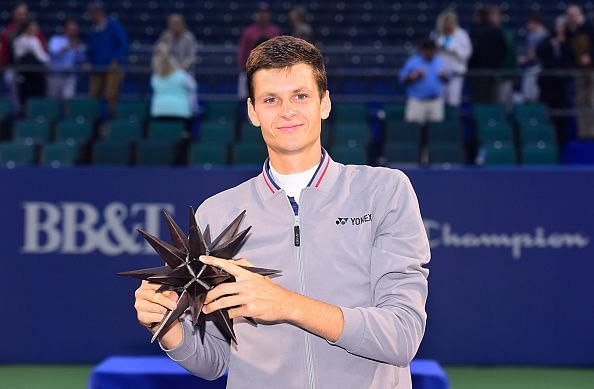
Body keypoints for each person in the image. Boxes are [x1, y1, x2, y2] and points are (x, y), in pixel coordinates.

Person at [134, 36, 430, 388]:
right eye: (271, 99)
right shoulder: (217, 212)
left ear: (325, 103)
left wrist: (286, 305)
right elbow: (214, 360)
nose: (287, 111)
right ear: (253, 111)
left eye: (300, 96)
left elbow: (402, 335)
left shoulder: (384, 191)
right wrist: (167, 326)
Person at [0, 2, 45, 113]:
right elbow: (4, 53)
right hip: (13, 69)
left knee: (34, 96)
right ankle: (16, 117)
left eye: (24, 13)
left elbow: (42, 50)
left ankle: (34, 117)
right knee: (15, 98)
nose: (21, 16)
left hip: (33, 71)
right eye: (19, 13)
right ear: (13, 14)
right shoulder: (8, 31)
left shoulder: (35, 31)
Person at [85, 2, 128, 114]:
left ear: (99, 12)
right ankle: (93, 125)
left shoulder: (113, 26)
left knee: (111, 95)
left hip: (112, 67)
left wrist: (116, 58)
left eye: (93, 12)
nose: (91, 15)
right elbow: (89, 49)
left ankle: (111, 124)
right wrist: (88, 61)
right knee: (93, 95)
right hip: (97, 67)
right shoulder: (92, 29)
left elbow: (123, 44)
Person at [537, 15, 571, 144]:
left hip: (561, 83)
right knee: (547, 109)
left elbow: (570, 58)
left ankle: (561, 140)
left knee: (561, 112)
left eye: (564, 27)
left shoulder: (568, 41)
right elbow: (539, 51)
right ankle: (546, 138)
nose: (561, 29)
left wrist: (563, 44)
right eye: (560, 26)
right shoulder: (547, 39)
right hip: (548, 83)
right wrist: (553, 42)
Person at [399, 38, 449, 124]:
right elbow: (402, 80)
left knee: (436, 131)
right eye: (427, 50)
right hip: (417, 101)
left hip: (435, 101)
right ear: (422, 50)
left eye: (432, 50)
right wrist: (414, 75)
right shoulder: (413, 62)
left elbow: (447, 80)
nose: (430, 52)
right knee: (412, 130)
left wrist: (443, 76)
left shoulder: (440, 62)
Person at [237, 3, 281, 99]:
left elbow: (279, 52)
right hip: (250, 70)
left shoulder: (274, 31)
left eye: (265, 13)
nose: (263, 15)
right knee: (247, 98)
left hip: (271, 71)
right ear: (256, 14)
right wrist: (243, 68)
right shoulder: (248, 32)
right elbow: (243, 51)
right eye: (260, 13)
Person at [565, 4, 594, 139]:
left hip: (592, 69)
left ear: (579, 13)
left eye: (574, 15)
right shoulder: (570, 30)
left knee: (592, 99)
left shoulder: (589, 26)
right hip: (579, 70)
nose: (572, 18)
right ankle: (584, 132)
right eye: (570, 16)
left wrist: (589, 55)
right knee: (580, 100)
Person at [150, 48, 196, 132]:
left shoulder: (155, 77)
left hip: (159, 111)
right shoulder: (182, 75)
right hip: (181, 112)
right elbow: (193, 86)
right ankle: (185, 137)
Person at [468, 6, 507, 103]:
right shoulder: (495, 31)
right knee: (491, 99)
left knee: (480, 99)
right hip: (491, 71)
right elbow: (503, 49)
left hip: (479, 72)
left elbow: (472, 51)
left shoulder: (475, 31)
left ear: (480, 17)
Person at [435, 9, 472, 107]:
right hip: (441, 75)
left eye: (450, 22)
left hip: (456, 74)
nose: (448, 25)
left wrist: (455, 50)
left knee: (454, 102)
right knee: (440, 102)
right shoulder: (439, 36)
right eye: (446, 23)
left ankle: (453, 121)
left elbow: (467, 53)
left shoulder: (462, 35)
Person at [12, 19, 48, 109]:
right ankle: (23, 114)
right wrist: (28, 50)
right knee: (24, 96)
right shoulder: (19, 40)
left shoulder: (35, 40)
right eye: (33, 27)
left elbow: (42, 56)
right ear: (27, 28)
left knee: (37, 94)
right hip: (25, 72)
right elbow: (18, 55)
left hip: (36, 72)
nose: (35, 29)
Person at [47, 19, 85, 100]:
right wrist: (66, 47)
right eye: (70, 29)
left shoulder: (78, 43)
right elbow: (53, 52)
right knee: (52, 100)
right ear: (65, 29)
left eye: (74, 30)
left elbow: (81, 60)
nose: (72, 31)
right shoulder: (56, 39)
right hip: (55, 75)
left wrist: (78, 50)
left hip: (70, 76)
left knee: (68, 100)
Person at [518, 12, 549, 103]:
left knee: (531, 95)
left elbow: (534, 55)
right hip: (534, 67)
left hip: (537, 68)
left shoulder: (539, 35)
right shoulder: (535, 34)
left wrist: (524, 59)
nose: (527, 25)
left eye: (529, 23)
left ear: (535, 22)